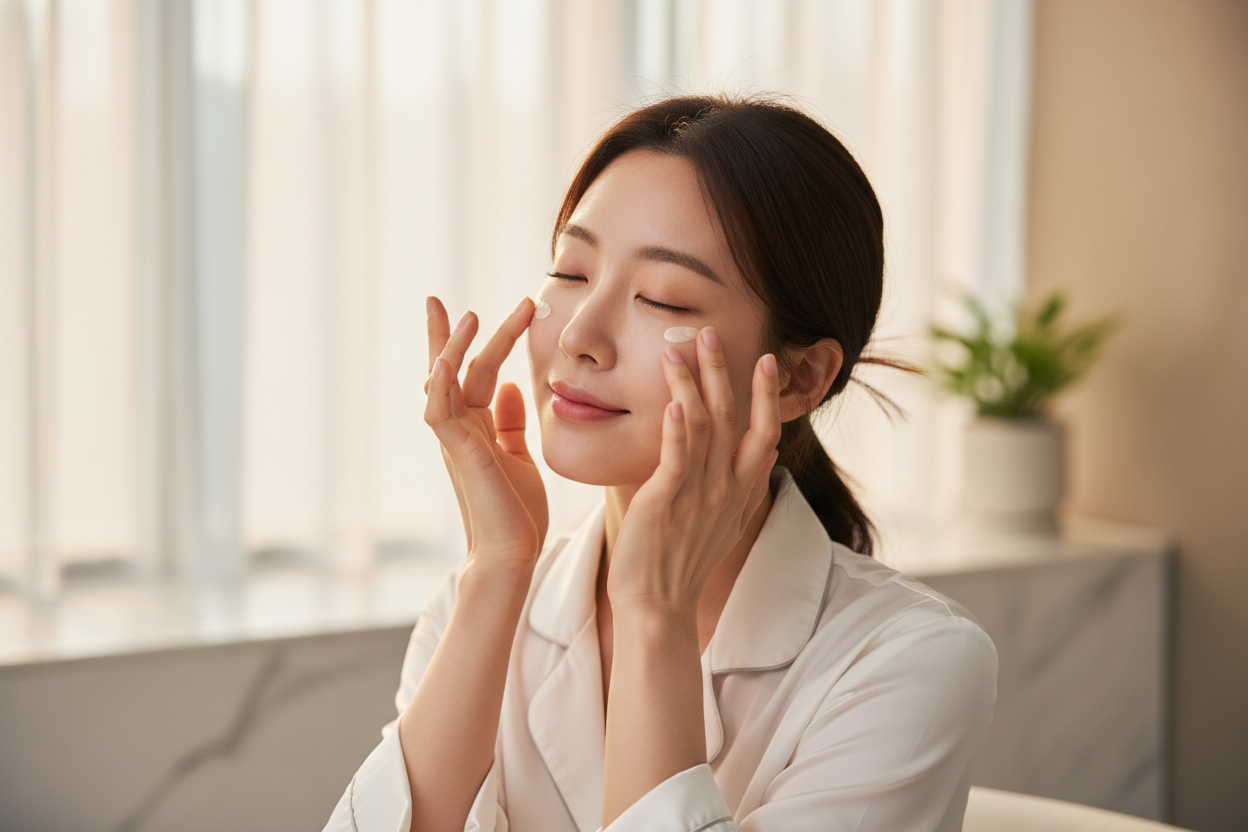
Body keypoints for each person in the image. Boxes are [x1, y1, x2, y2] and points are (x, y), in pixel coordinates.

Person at [325, 94, 997, 832]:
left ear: (800, 378)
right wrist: (498, 565)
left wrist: (655, 612)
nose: (581, 334)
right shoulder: (476, 605)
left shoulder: (910, 662)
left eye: (663, 299)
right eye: (572, 273)